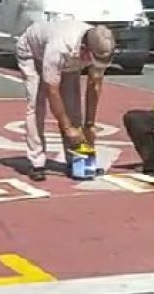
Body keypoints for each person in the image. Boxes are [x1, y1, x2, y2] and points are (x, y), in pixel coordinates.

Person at [15, 19, 116, 181]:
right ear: (85, 49)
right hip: (33, 53)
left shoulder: (101, 45)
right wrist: (68, 128)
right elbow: (52, 90)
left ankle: (74, 160)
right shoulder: (59, 48)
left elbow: (95, 83)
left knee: (73, 105)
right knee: (36, 104)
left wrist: (89, 124)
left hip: (70, 60)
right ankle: (37, 161)